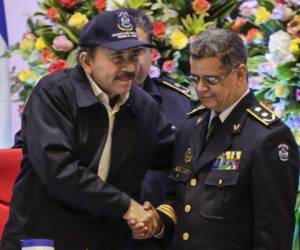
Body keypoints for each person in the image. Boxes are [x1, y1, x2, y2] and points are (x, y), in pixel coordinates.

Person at [0, 9, 175, 250]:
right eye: (117, 57)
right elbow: (58, 170)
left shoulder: (144, 106)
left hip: (108, 240)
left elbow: (173, 155)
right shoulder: (54, 93)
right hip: (43, 239)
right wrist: (127, 206)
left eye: (134, 55)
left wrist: (156, 216)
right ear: (86, 62)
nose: (129, 67)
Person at [131, 28, 300, 250]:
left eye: (211, 79)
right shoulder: (190, 127)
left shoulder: (268, 137)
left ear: (240, 74)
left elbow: (272, 234)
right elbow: (178, 202)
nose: (201, 88)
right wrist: (157, 223)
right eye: (195, 78)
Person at [127, 8, 193, 207]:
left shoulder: (179, 102)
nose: (130, 63)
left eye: (138, 51)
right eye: (120, 53)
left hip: (164, 226)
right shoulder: (81, 101)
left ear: (151, 52)